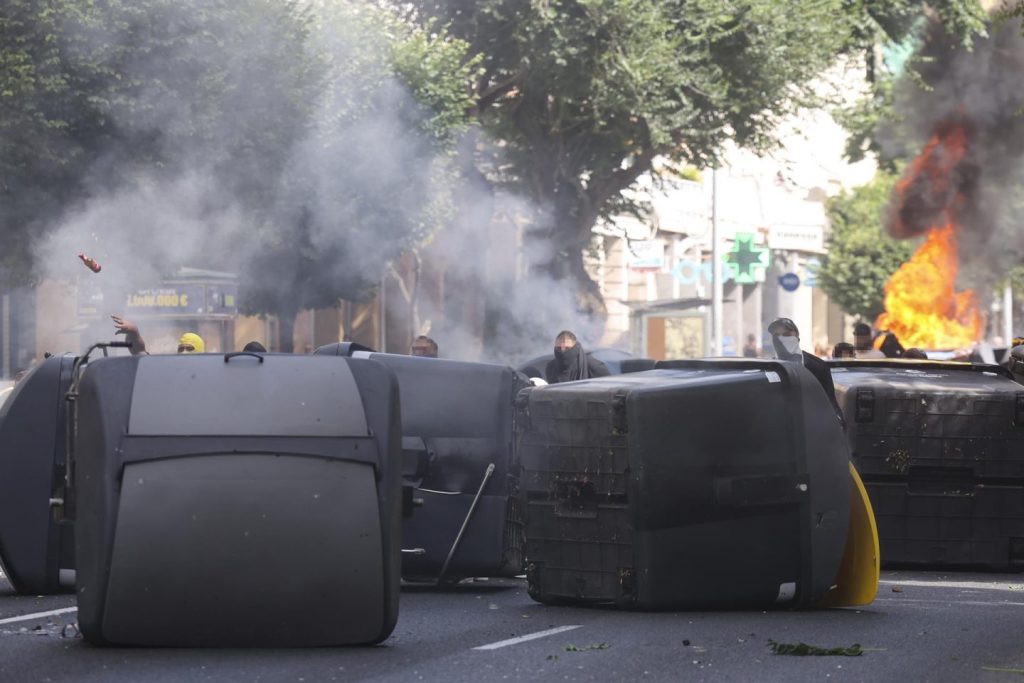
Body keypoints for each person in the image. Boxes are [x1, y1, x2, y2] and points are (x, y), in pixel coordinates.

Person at [768, 317, 845, 428]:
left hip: (813, 428)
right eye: (776, 335)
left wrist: (838, 424)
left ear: (797, 337)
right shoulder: (770, 369)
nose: (781, 338)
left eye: (786, 334)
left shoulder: (818, 367)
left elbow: (829, 402)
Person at [544, 330, 610, 384]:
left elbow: (608, 391)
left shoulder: (594, 367)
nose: (562, 351)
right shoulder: (551, 367)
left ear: (575, 348)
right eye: (559, 348)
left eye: (567, 348)